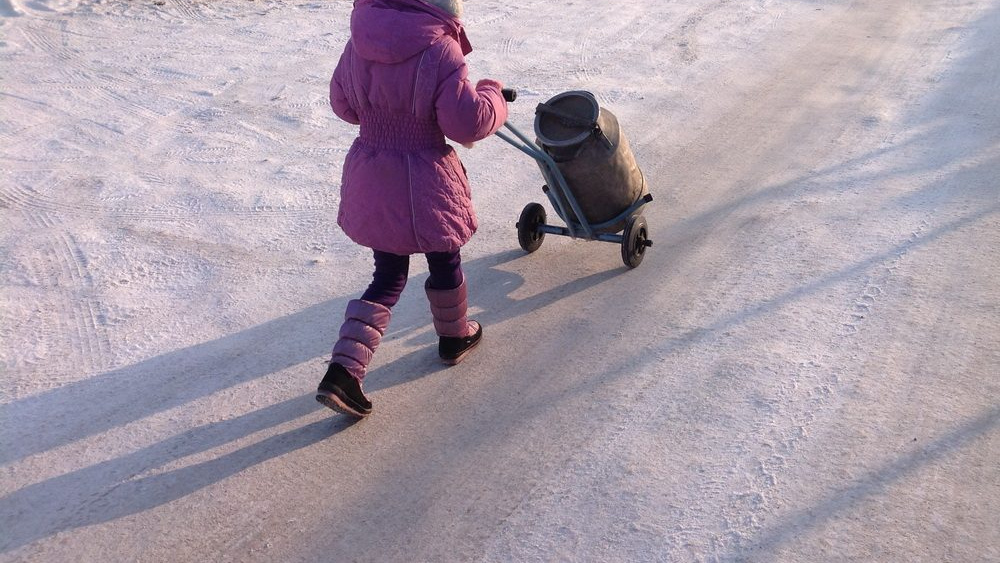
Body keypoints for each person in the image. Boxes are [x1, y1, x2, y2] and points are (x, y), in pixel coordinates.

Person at [316, 0, 508, 418]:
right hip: (423, 174)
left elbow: (343, 104)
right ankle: (454, 336)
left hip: (374, 171)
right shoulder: (440, 48)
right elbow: (467, 122)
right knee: (444, 256)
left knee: (388, 274)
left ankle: (343, 371)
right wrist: (493, 94)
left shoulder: (361, 38)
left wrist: (379, 114)